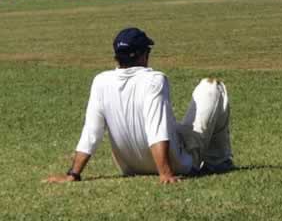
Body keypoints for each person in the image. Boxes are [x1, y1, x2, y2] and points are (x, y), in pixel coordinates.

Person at [45, 27, 233, 184]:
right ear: (144, 55)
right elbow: (156, 129)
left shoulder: (100, 81)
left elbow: (91, 133)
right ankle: (219, 161)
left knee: (175, 126)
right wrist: (165, 173)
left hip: (130, 167)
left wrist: (73, 174)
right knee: (212, 87)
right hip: (175, 164)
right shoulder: (154, 80)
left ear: (117, 57)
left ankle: (216, 161)